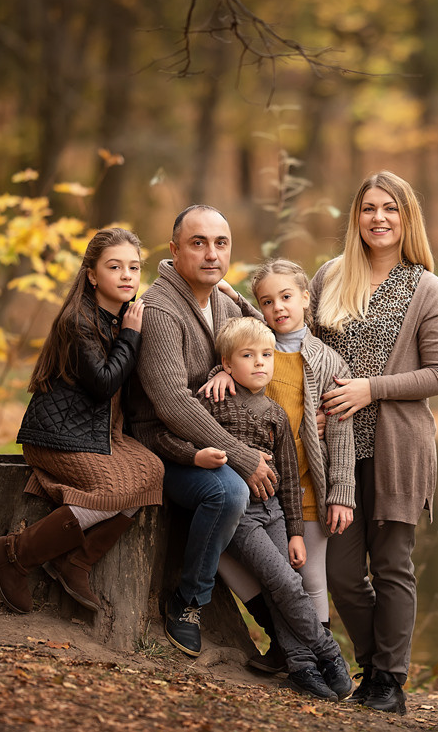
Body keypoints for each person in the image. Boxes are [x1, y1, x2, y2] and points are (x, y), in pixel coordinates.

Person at [309, 170, 438, 715]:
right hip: (340, 449)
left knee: (392, 564)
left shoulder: (426, 287)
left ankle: (388, 680)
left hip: (399, 448)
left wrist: (371, 389)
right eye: (369, 208)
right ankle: (374, 664)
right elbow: (301, 353)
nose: (379, 218)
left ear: (406, 217)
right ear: (356, 217)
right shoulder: (328, 277)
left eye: (390, 208)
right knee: (341, 572)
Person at [154, 317, 354, 700]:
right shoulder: (212, 399)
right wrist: (198, 455)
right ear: (228, 365)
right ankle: (329, 654)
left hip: (274, 512)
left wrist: (296, 531)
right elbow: (165, 436)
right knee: (282, 583)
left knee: (287, 584)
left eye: (267, 354)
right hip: (241, 516)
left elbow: (291, 482)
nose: (260, 363)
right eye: (248, 356)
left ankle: (301, 666)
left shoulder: (276, 414)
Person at [0, 228, 164, 615]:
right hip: (58, 436)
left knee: (151, 470)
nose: (126, 275)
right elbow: (103, 384)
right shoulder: (78, 321)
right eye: (114, 266)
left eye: (133, 267)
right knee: (115, 488)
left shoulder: (123, 317)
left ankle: (76, 561)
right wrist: (131, 337)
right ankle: (15, 553)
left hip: (99, 434)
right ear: (92, 275)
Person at [125, 205, 275, 657]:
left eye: (221, 243)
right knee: (228, 494)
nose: (212, 254)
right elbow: (171, 402)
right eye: (198, 243)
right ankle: (188, 602)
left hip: (215, 442)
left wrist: (240, 306)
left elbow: (260, 343)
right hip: (162, 447)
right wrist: (243, 455)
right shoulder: (160, 310)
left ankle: (285, 629)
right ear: (174, 250)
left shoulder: (224, 302)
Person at [206, 259, 356, 674]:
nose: (278, 308)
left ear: (307, 298)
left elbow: (341, 435)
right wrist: (221, 372)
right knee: (263, 572)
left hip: (308, 481)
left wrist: (341, 492)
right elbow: (238, 358)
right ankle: (285, 643)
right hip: (257, 488)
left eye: (287, 297)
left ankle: (316, 658)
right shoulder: (258, 349)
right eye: (267, 302)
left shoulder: (328, 363)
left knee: (309, 579)